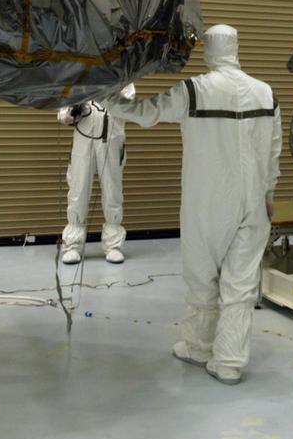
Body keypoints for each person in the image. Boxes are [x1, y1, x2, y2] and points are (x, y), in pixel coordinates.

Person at [106, 25, 281, 385]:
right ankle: (229, 361)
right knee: (242, 281)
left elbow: (144, 113)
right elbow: (275, 151)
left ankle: (199, 346)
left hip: (209, 200)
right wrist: (268, 196)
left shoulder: (195, 90)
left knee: (203, 275)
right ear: (236, 47)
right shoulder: (266, 93)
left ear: (209, 51)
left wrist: (105, 98)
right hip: (255, 202)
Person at [58, 84, 135, 265]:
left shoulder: (122, 75)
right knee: (78, 189)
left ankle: (113, 245)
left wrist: (111, 94)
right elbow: (62, 115)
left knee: (112, 190)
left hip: (111, 136)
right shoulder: (78, 77)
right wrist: (72, 111)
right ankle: (73, 245)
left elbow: (130, 105)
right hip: (83, 139)